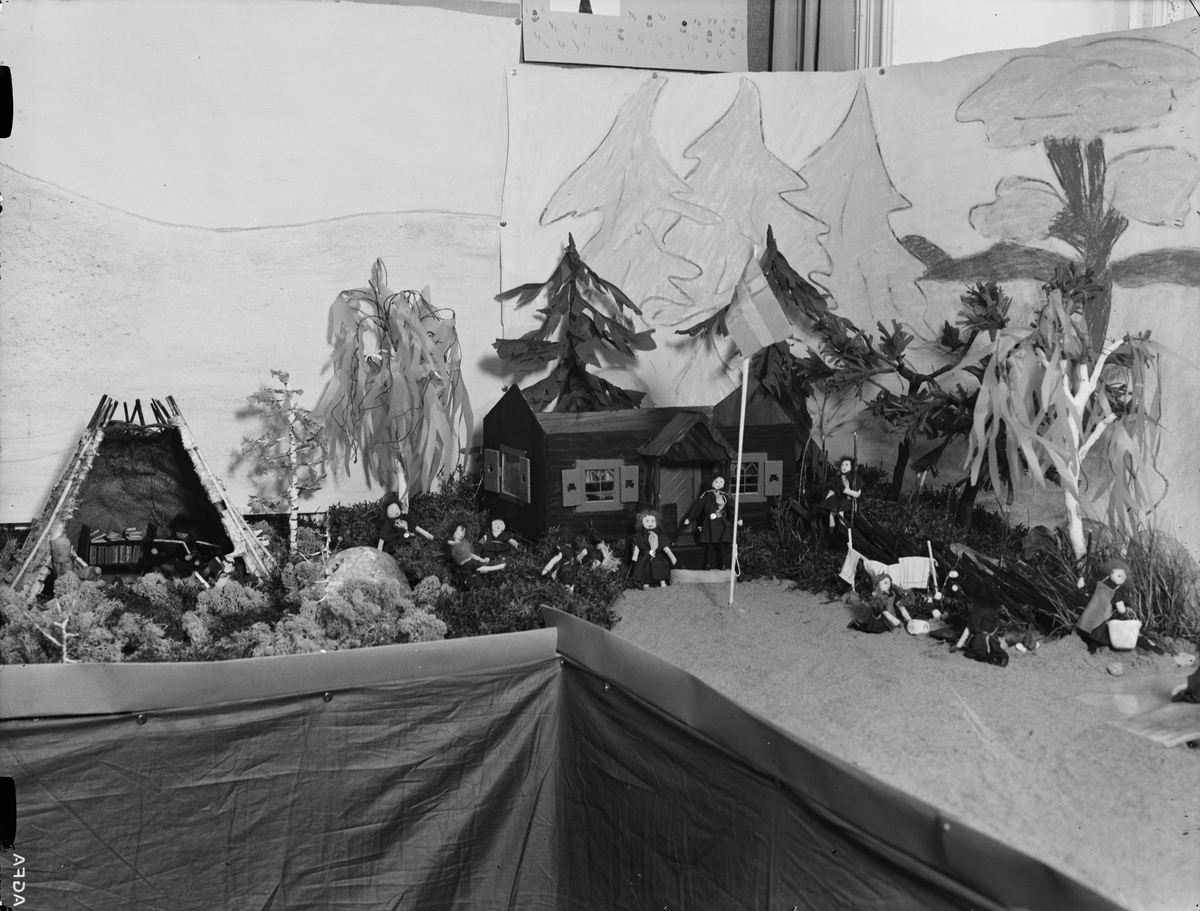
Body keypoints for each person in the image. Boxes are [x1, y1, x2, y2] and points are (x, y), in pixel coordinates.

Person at [682, 474, 740, 570]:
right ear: (711, 482)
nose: (719, 484)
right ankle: (707, 565)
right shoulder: (707, 495)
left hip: (722, 525)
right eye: (716, 481)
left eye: (721, 482)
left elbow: (733, 506)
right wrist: (689, 518)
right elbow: (698, 506)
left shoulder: (726, 495)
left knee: (722, 545)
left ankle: (723, 565)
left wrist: (738, 518)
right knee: (710, 546)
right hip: (710, 525)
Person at [1075, 560, 1131, 654]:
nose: (1115, 576)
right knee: (1086, 621)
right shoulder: (1103, 579)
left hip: (1105, 610)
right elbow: (1092, 582)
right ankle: (1081, 639)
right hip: (1094, 605)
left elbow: (1119, 600)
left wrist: (1120, 605)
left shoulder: (1120, 589)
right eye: (1113, 573)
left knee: (1098, 628)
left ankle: (1092, 648)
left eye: (1120, 576)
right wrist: (1084, 581)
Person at [952, 581, 1009, 666]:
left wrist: (958, 645)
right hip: (991, 639)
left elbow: (968, 629)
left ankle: (984, 654)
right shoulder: (993, 612)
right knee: (996, 644)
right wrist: (991, 635)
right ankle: (996, 655)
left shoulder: (977, 611)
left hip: (978, 640)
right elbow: (996, 626)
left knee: (975, 646)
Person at [445, 516, 505, 587]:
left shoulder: (463, 546)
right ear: (454, 530)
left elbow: (470, 554)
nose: (462, 534)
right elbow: (451, 543)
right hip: (456, 564)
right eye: (461, 531)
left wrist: (480, 559)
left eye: (464, 532)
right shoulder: (453, 541)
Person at [630, 508, 677, 589]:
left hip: (657, 555)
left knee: (661, 565)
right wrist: (635, 556)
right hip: (645, 556)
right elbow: (637, 547)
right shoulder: (639, 536)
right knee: (644, 568)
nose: (650, 523)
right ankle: (646, 583)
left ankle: (662, 581)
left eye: (652, 521)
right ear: (641, 523)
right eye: (647, 521)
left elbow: (665, 548)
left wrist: (672, 557)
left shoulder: (660, 536)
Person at [817, 457, 861, 530]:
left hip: (848, 499)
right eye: (842, 465)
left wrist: (849, 491)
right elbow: (832, 491)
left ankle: (843, 528)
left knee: (840, 512)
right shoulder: (837, 479)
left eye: (847, 465)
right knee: (832, 513)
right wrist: (826, 500)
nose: (844, 466)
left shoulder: (854, 478)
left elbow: (858, 493)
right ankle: (832, 527)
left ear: (852, 467)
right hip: (838, 498)